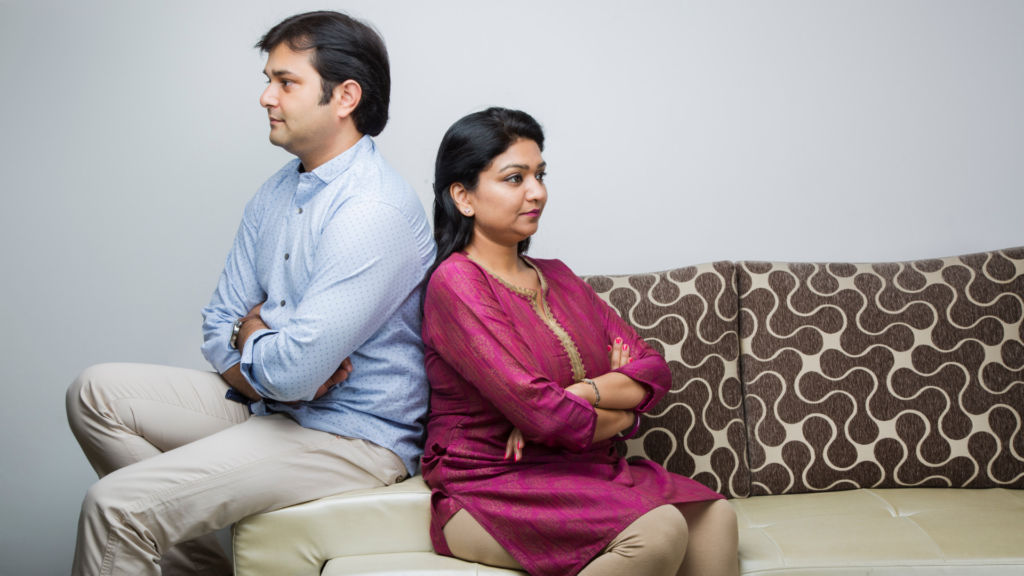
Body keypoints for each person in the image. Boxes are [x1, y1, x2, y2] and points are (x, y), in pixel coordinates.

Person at [65, 11, 435, 576]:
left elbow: (293, 371)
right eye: (269, 80)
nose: (266, 97)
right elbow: (221, 323)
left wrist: (261, 341)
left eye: (286, 82)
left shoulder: (373, 210)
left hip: (351, 435)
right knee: (94, 393)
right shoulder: (277, 190)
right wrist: (261, 351)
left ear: (345, 97)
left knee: (115, 507)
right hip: (276, 407)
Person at [420, 108, 739, 576]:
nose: (537, 192)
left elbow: (652, 369)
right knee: (658, 532)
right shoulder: (457, 283)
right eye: (515, 178)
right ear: (463, 197)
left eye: (540, 175)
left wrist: (580, 393)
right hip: (493, 480)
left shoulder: (560, 277)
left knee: (715, 516)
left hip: (591, 469)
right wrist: (625, 413)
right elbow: (542, 414)